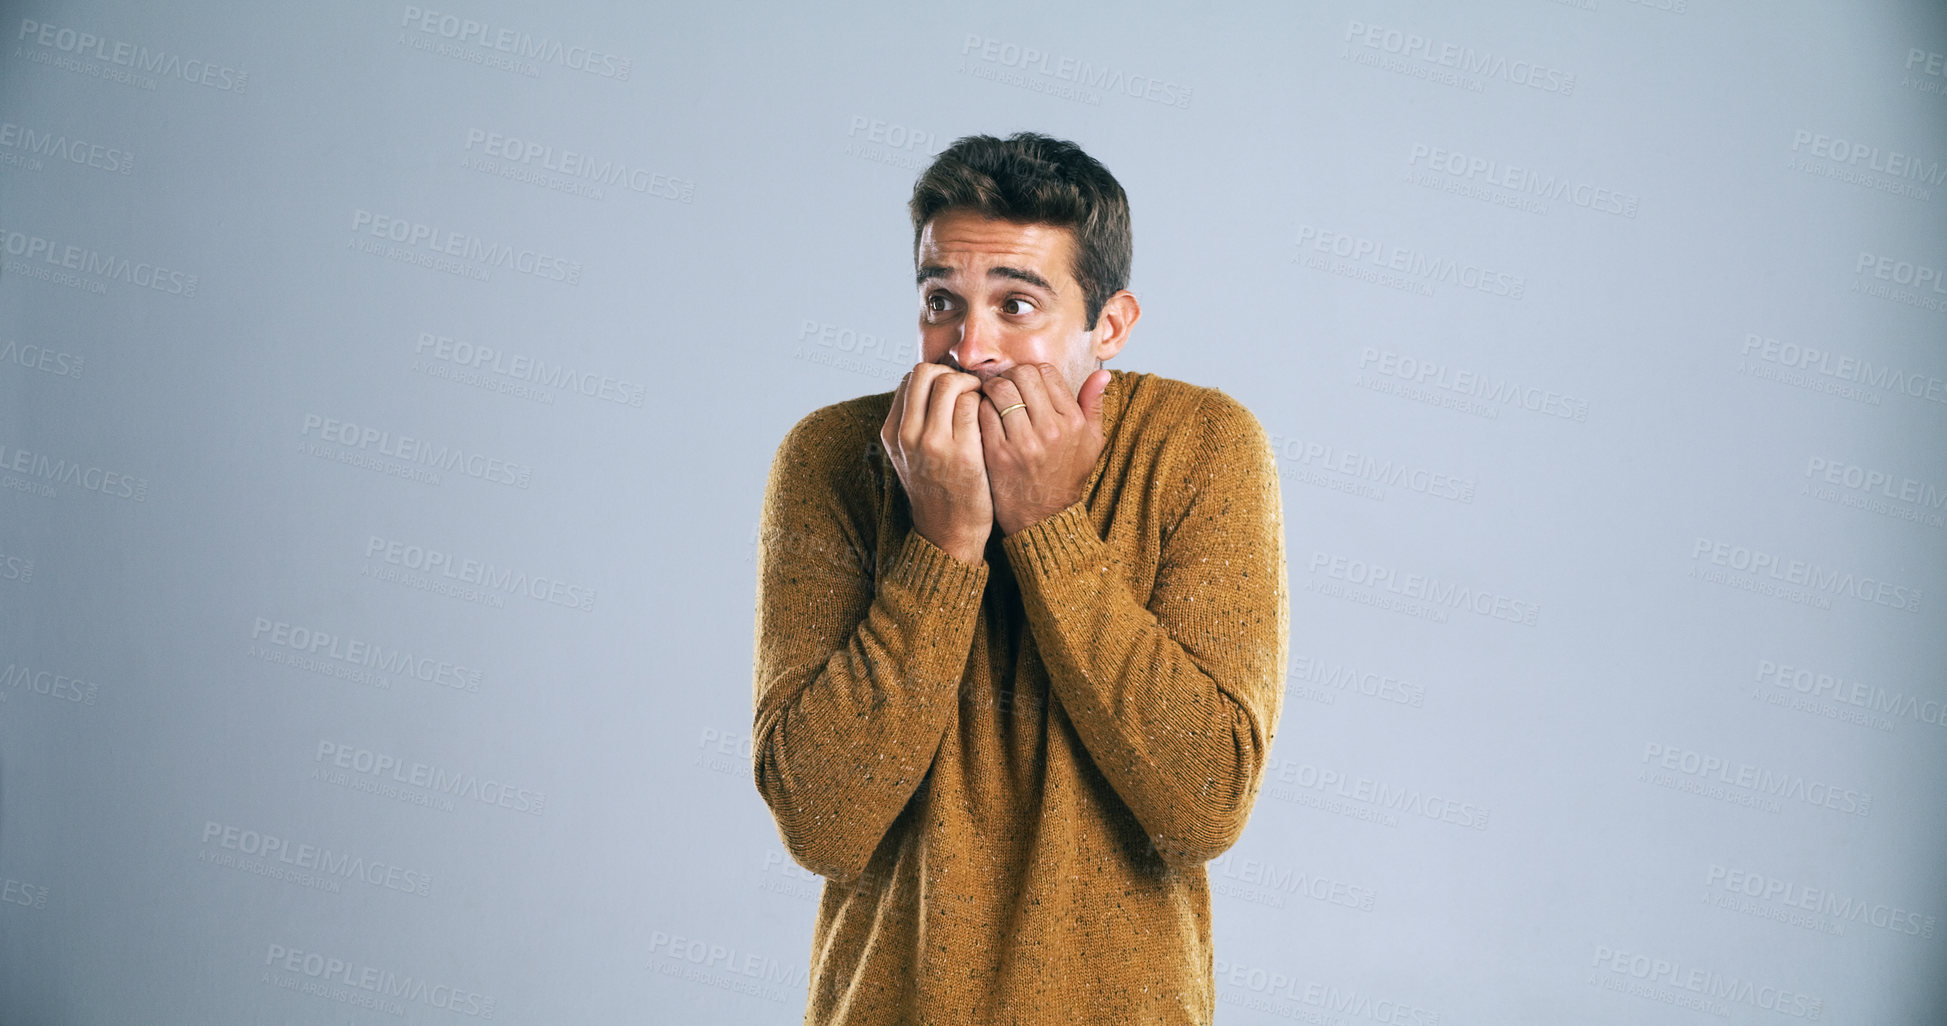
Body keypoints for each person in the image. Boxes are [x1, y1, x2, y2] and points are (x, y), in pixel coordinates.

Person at [750, 130, 1289, 1025]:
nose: (970, 348)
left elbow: (1201, 809)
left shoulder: (1203, 446)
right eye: (940, 301)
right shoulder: (833, 457)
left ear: (1107, 325)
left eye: (1016, 305)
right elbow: (822, 824)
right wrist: (942, 544)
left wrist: (1046, 525)